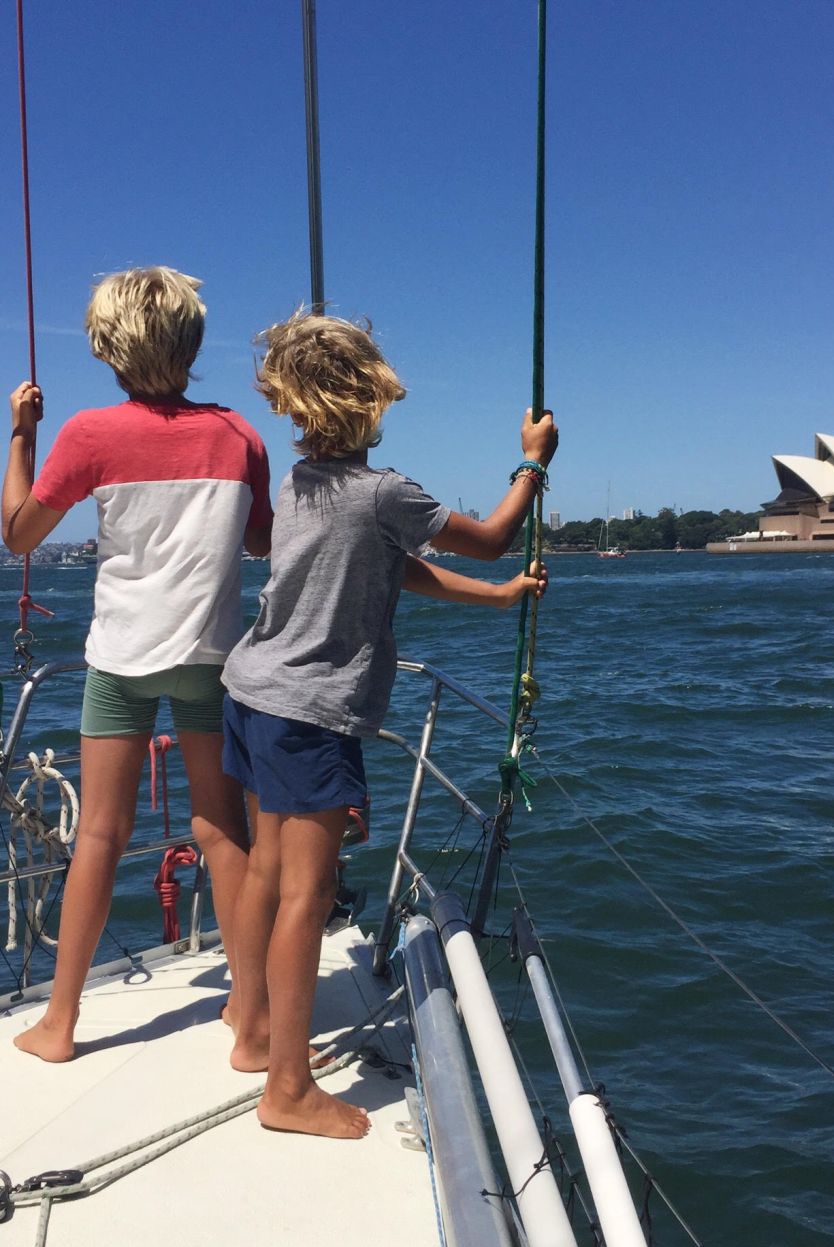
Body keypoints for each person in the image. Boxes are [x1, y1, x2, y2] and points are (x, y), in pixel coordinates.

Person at [221, 310, 558, 1139]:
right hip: (309, 712)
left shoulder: (305, 488)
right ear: (372, 398)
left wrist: (499, 597)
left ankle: (252, 1025)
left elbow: (398, 570)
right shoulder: (383, 489)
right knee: (311, 892)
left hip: (251, 690)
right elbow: (488, 538)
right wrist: (532, 462)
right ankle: (288, 1090)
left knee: (269, 868)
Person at [5, 266, 273, 1062]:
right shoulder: (240, 436)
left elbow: (18, 534)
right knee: (225, 832)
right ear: (191, 343)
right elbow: (260, 542)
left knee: (99, 834)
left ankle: (59, 1024)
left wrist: (20, 434)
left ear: (107, 349)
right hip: (210, 655)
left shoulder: (88, 434)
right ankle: (250, 1017)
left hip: (121, 658)